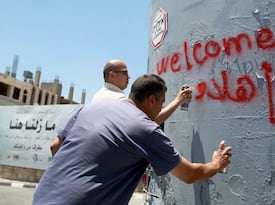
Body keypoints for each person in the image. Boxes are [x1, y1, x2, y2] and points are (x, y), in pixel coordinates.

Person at [29, 74, 232, 205]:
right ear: (151, 100)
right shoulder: (145, 131)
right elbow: (189, 174)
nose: (161, 107)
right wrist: (216, 164)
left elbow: (56, 146)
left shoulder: (92, 107)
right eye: (161, 102)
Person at [50, 59, 192, 155]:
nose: (129, 77)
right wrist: (178, 101)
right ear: (111, 75)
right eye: (125, 73)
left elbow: (55, 146)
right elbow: (149, 123)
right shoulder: (118, 101)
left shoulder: (96, 99)